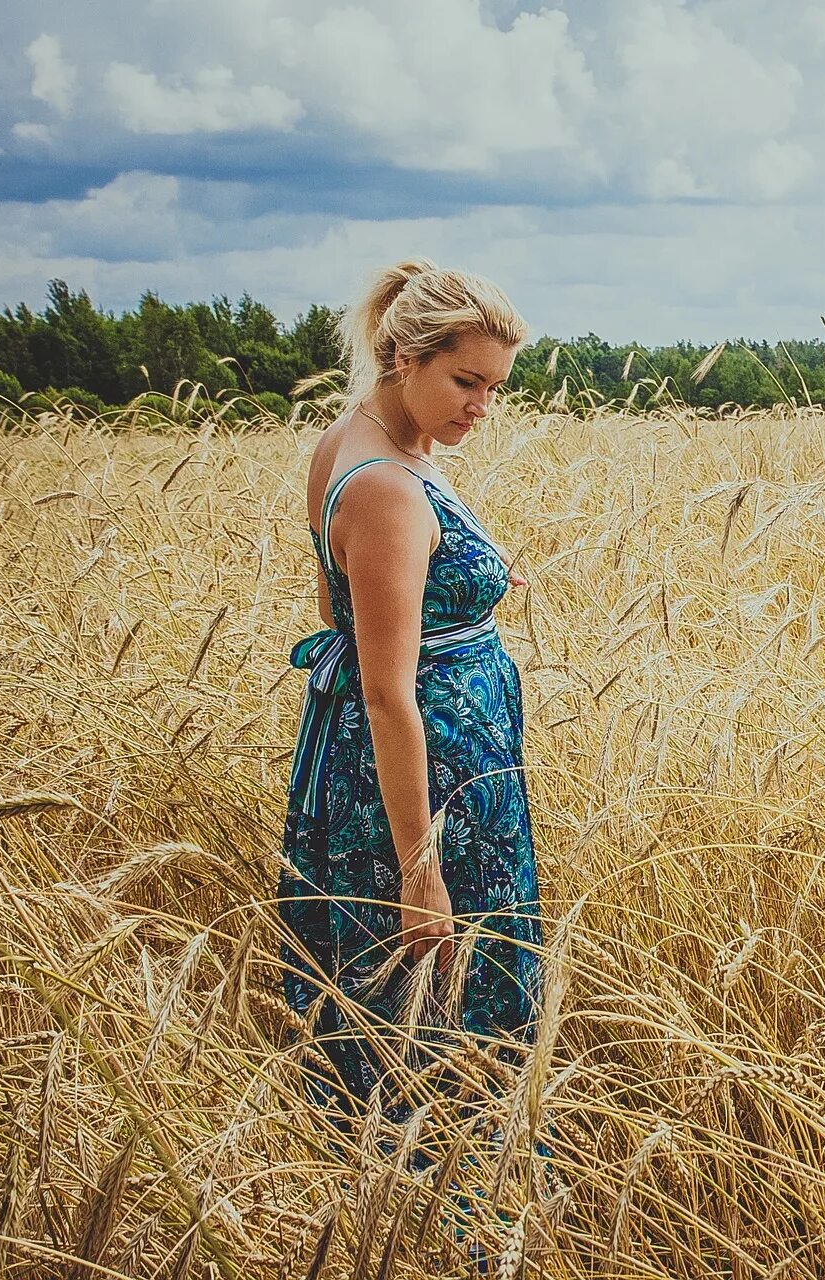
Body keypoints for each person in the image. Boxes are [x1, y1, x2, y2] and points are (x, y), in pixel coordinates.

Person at [277, 258, 541, 1121]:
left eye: (495, 388)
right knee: (436, 997)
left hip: (429, 768)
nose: (482, 407)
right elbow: (390, 694)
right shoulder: (387, 487)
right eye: (466, 381)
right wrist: (420, 869)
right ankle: (445, 1203)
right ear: (404, 358)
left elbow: (336, 605)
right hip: (424, 789)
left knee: (414, 1003)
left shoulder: (366, 439)